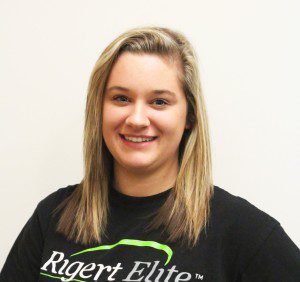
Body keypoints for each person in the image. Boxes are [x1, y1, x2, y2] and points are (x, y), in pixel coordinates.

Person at [1, 26, 299, 282]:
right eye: (121, 98)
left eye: (159, 101)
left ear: (189, 117)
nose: (137, 118)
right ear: (98, 109)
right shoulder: (53, 216)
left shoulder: (243, 233)